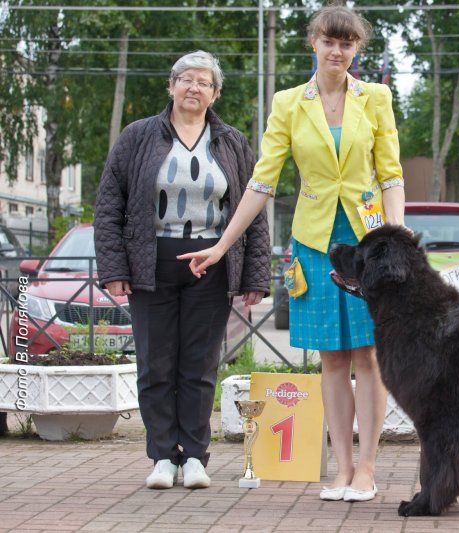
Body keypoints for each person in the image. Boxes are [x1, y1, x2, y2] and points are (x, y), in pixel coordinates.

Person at [177, 5, 404, 503]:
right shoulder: (287, 103)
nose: (338, 51)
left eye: (347, 44)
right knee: (331, 358)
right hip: (314, 241)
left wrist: (397, 237)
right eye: (329, 41)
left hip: (368, 241)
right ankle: (341, 469)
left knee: (368, 356)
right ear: (314, 43)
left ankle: (367, 468)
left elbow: (390, 173)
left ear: (356, 49)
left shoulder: (377, 98)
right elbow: (263, 181)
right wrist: (221, 244)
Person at [94, 50, 271, 490]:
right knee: (155, 364)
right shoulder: (137, 137)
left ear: (215, 94)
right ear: (171, 86)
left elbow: (254, 214)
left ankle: (193, 457)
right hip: (149, 266)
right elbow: (108, 204)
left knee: (199, 364)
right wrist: (114, 267)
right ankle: (161, 457)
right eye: (186, 79)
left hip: (209, 266)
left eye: (204, 82)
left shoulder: (231, 143)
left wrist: (253, 277)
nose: (194, 88)